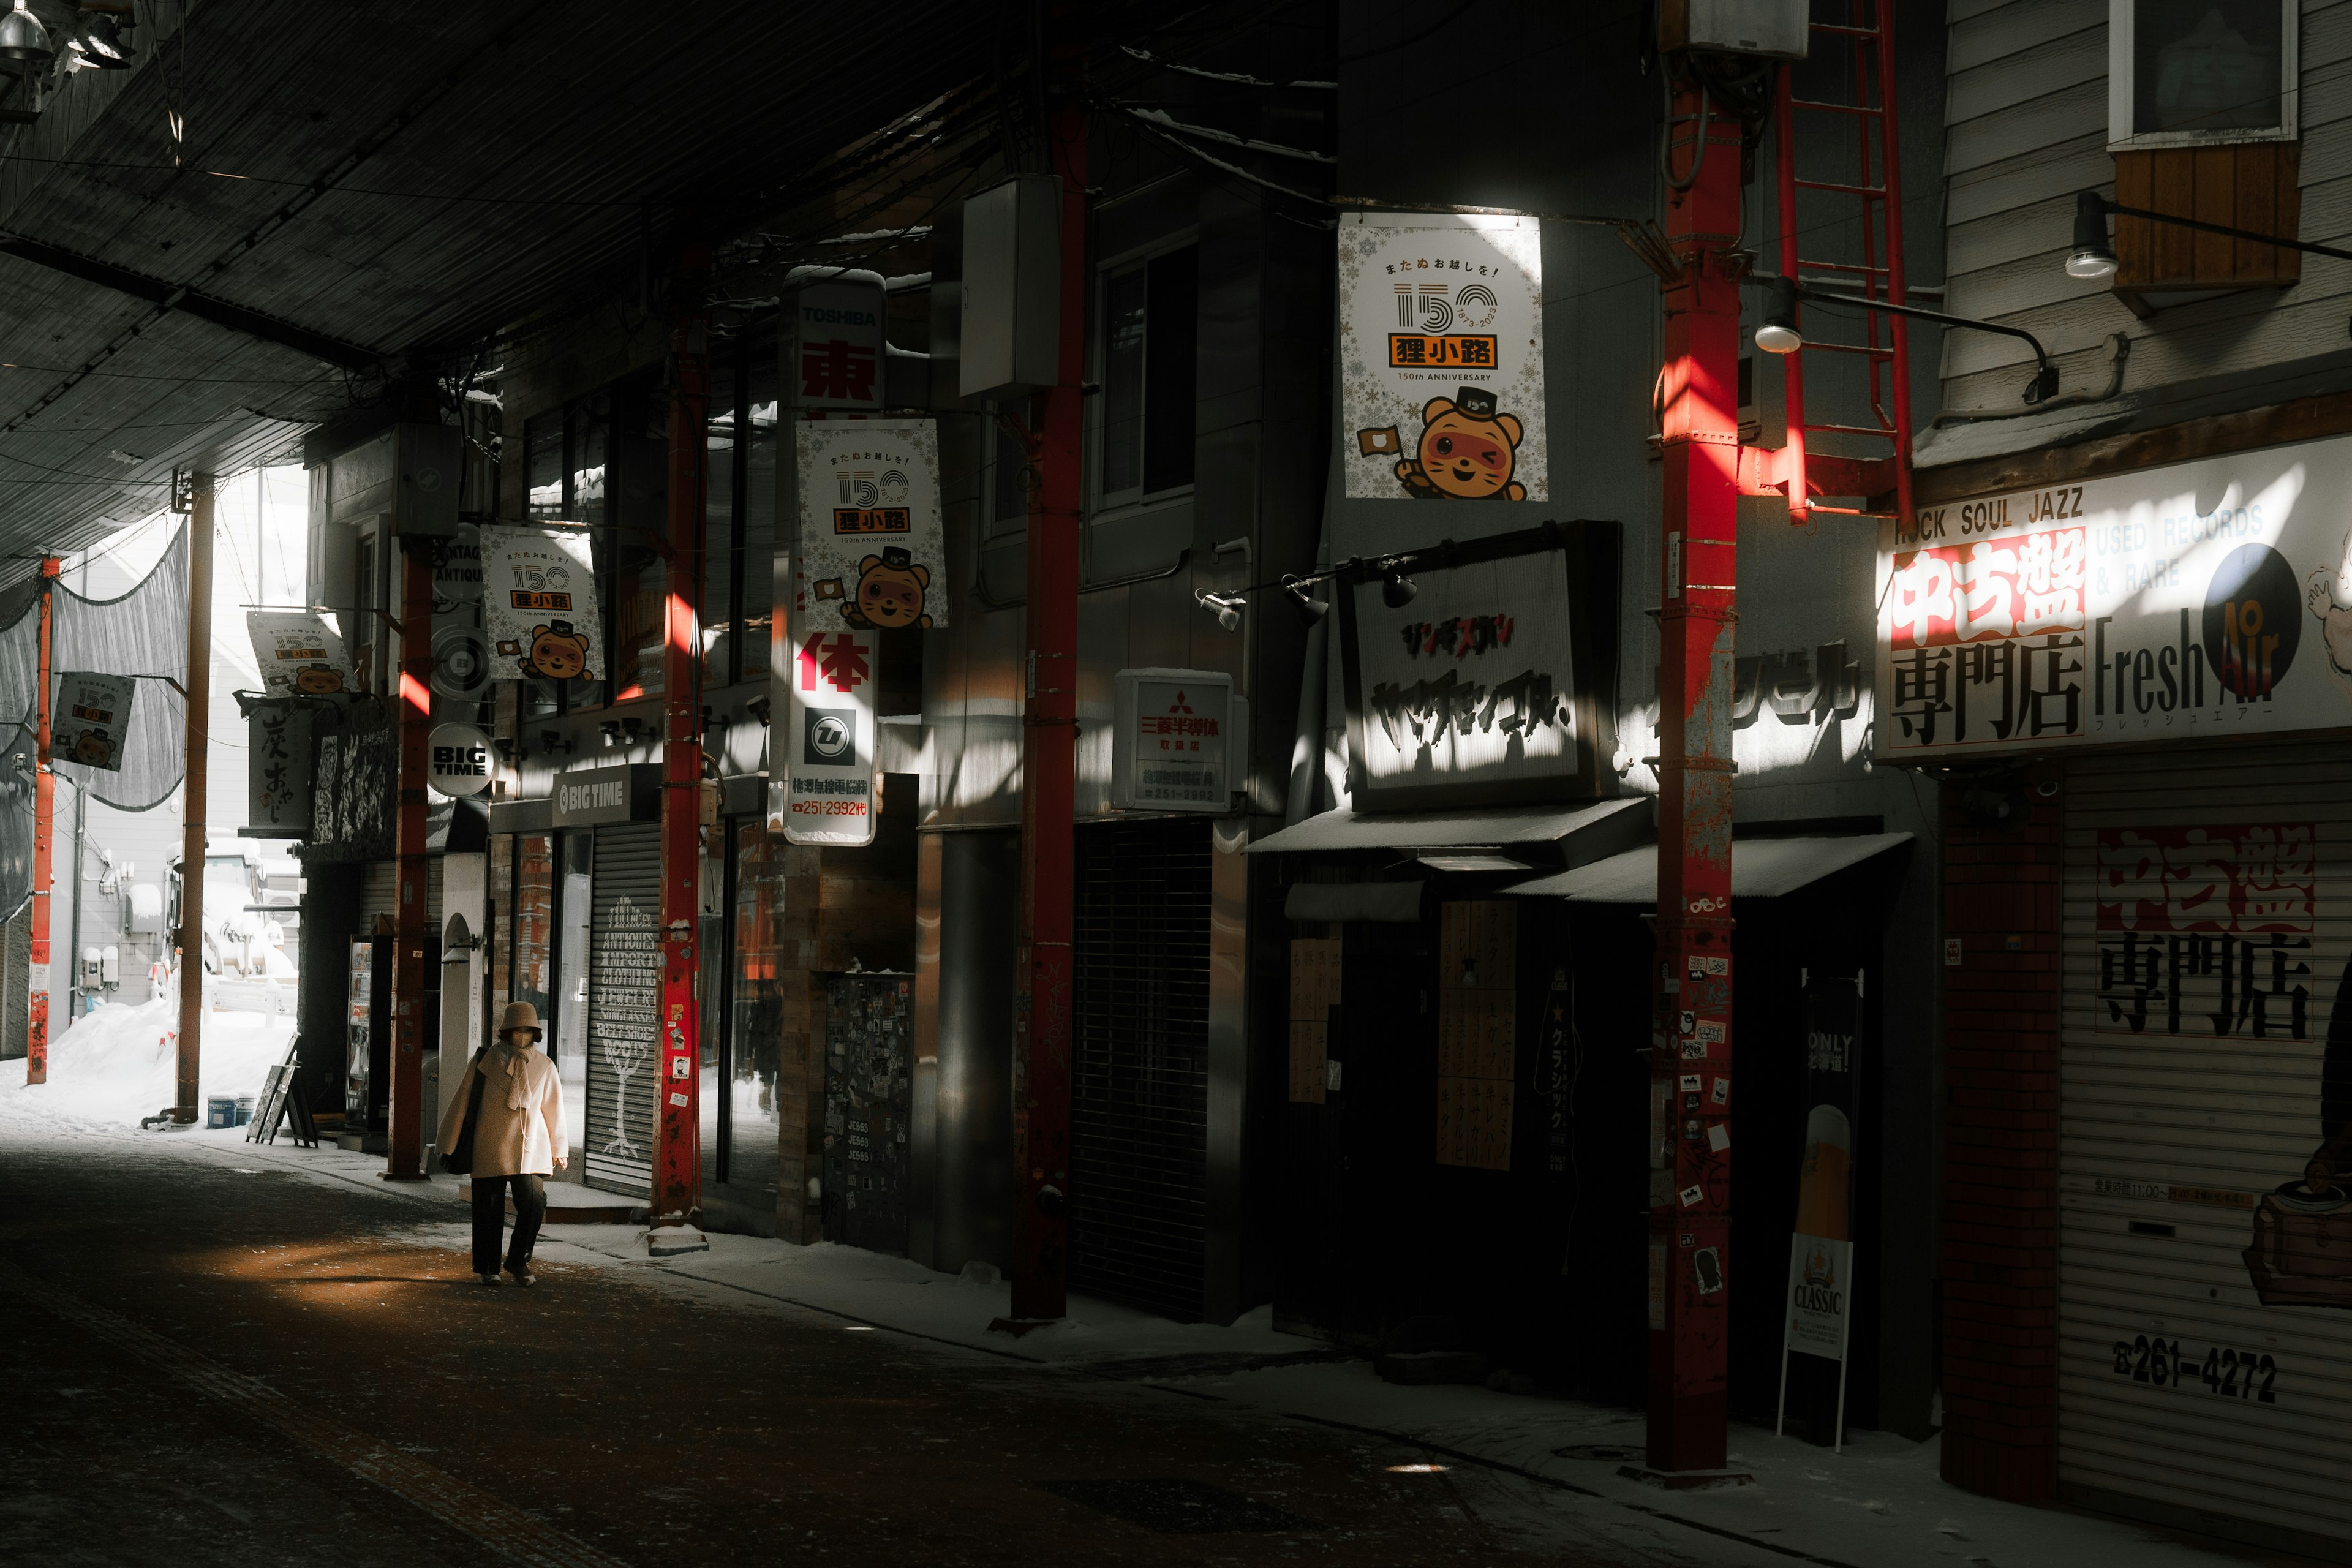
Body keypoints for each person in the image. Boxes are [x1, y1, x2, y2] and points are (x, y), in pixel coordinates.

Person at [438, 1001, 567, 1286]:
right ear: (506, 1031)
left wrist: (560, 1149)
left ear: (535, 1033)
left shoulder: (545, 1067)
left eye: (528, 1030)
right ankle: (488, 1268)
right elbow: (463, 1101)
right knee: (488, 1209)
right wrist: (447, 1142)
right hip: (490, 1145)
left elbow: (553, 1109)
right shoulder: (485, 1062)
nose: (522, 1035)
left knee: (534, 1204)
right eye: (518, 1029)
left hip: (531, 1148)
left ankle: (517, 1261)